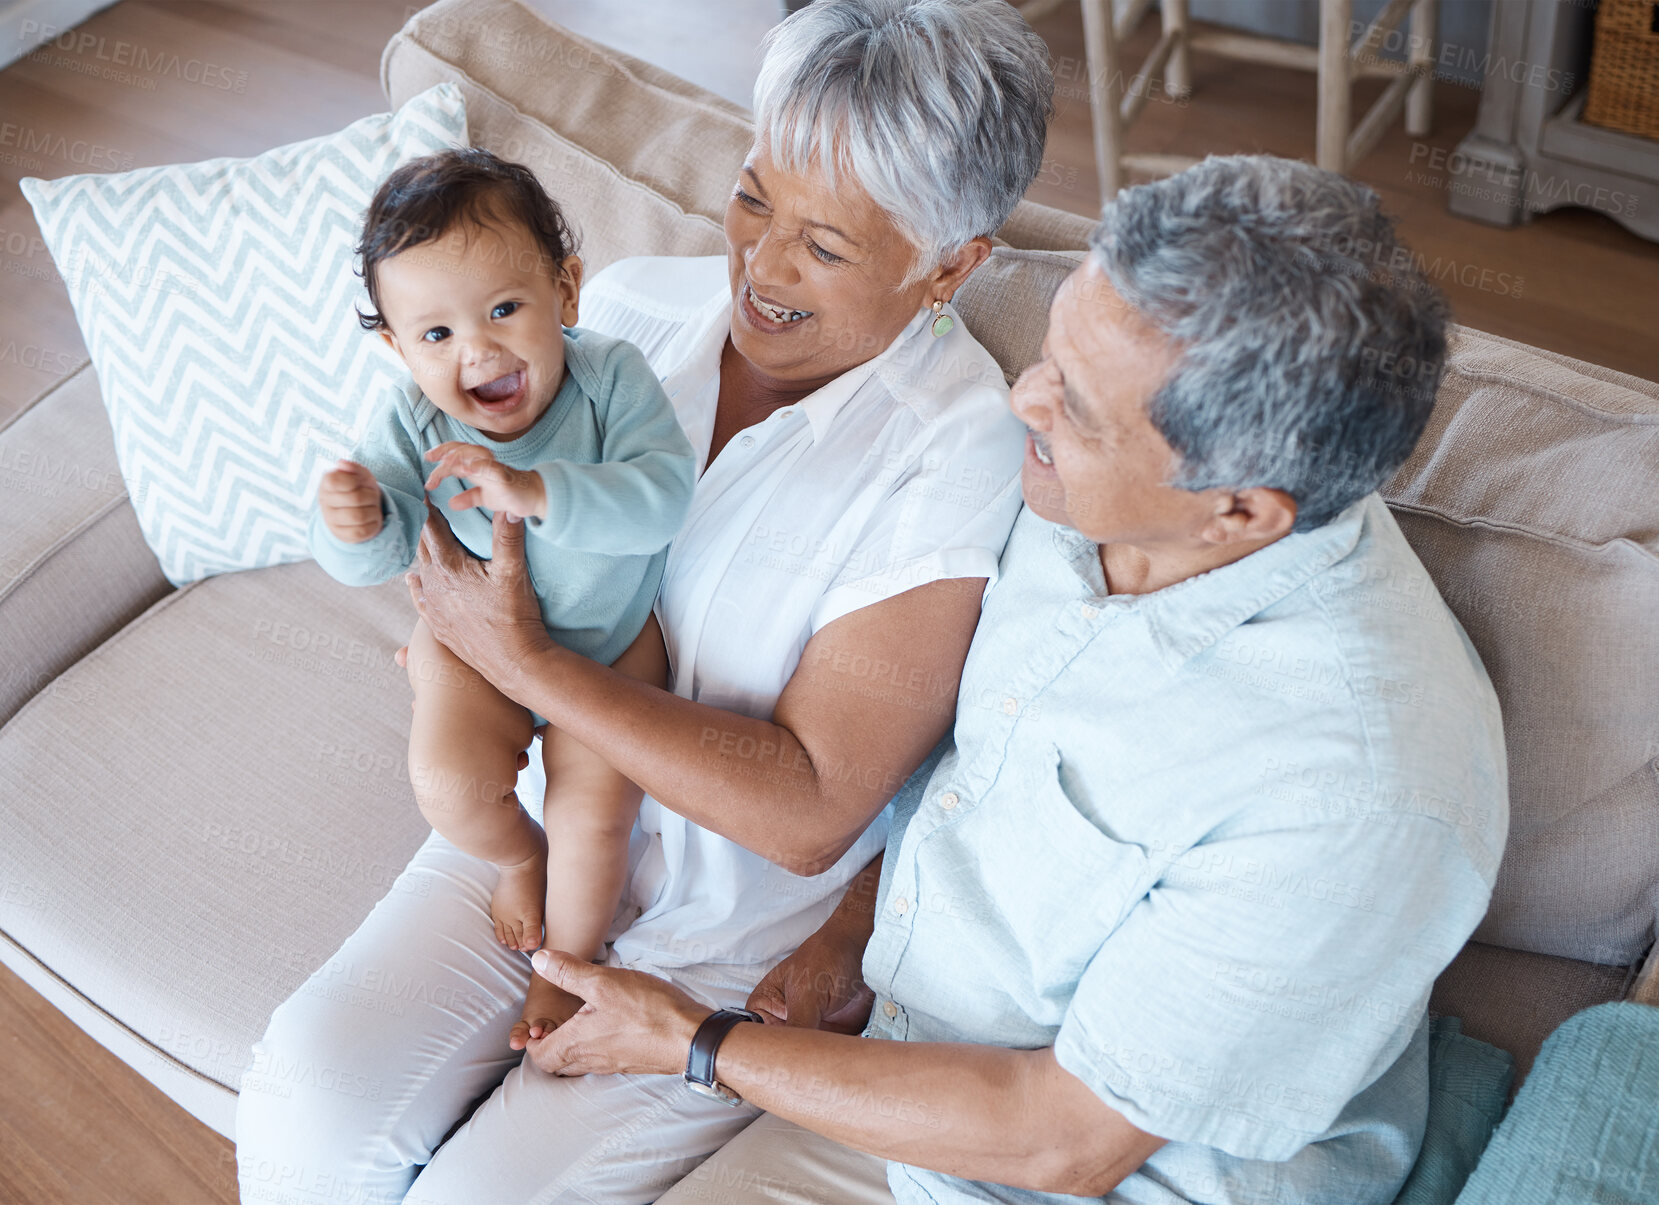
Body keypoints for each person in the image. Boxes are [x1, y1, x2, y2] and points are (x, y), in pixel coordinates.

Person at [520, 155, 1511, 1205]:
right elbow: (981, 756)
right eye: (1048, 352)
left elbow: (1066, 1142)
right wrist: (857, 923)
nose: (1023, 399)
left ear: (1243, 512)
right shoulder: (1092, 499)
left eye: (1077, 405)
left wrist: (694, 1040)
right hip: (892, 1070)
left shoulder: (1354, 788)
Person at [232, 2, 1053, 1201]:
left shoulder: (955, 452)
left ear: (952, 263)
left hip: (721, 935)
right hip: (529, 840)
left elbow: (814, 807)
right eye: (756, 195)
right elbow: (457, 514)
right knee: (305, 1099)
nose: (762, 267)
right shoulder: (631, 310)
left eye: (825, 247)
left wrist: (527, 664)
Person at [309, 146, 696, 1048]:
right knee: (450, 784)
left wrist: (542, 491)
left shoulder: (608, 381)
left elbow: (665, 497)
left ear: (565, 291)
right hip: (471, 644)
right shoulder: (410, 420)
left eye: (505, 309)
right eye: (435, 335)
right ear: (396, 348)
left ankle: (568, 962)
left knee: (595, 812)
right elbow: (388, 553)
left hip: (611, 640)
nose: (477, 350)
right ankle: (518, 855)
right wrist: (357, 523)